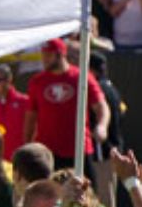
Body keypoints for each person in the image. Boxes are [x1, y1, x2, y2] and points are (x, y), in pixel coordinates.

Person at [24, 37, 109, 170]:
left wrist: (102, 126)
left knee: (86, 189)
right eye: (43, 54)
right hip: (48, 151)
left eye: (48, 55)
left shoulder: (81, 77)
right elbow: (30, 116)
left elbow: (101, 106)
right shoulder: (37, 81)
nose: (44, 59)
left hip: (78, 149)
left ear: (60, 54)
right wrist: (27, 144)